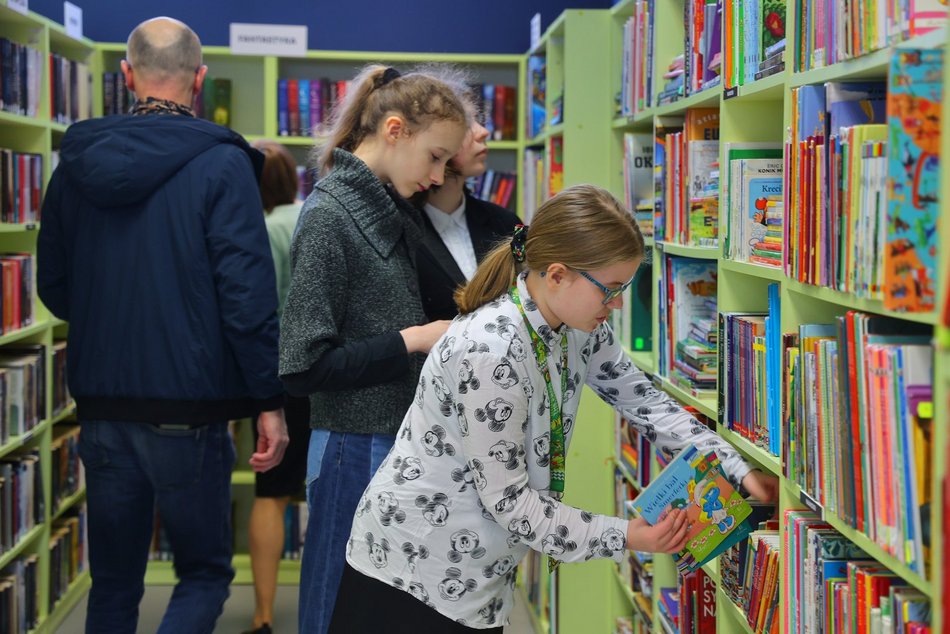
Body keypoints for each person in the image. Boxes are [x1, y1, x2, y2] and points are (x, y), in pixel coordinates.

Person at [330, 184, 779, 632]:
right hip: (414, 569)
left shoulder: (579, 326)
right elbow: (512, 503)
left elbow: (648, 405)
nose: (618, 304)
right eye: (610, 289)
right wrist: (629, 536)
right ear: (558, 274)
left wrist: (734, 468)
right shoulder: (491, 352)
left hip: (478, 569)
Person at [36, 17, 289, 634]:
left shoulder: (75, 164)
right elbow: (246, 297)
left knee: (114, 583)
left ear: (126, 76)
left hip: (100, 406)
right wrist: (268, 403)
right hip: (188, 407)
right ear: (199, 80)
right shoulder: (225, 164)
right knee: (203, 575)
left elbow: (54, 287)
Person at [277, 64, 470, 634]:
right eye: (435, 156)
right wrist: (414, 339)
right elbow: (302, 364)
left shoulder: (384, 207)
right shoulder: (331, 215)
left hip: (387, 438)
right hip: (351, 446)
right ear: (394, 130)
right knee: (332, 605)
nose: (438, 176)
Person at [244, 140, 310, 634]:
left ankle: (264, 615)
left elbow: (259, 309)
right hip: (328, 373)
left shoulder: (261, 230)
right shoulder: (314, 215)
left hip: (279, 375)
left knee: (272, 493)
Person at [415, 106, 520, 321]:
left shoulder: (508, 223)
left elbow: (531, 298)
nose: (483, 131)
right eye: (466, 125)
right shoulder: (398, 231)